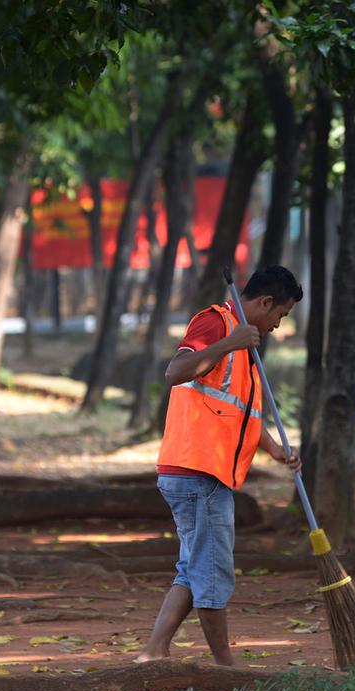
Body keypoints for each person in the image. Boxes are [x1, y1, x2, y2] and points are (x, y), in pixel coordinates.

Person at [136, 265, 304, 666]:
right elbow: (175, 371)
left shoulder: (245, 349)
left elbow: (237, 411)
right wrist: (228, 343)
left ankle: (154, 651)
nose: (278, 325)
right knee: (211, 571)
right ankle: (225, 667)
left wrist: (275, 449)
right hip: (198, 472)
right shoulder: (216, 323)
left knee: (193, 568)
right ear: (264, 302)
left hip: (205, 473)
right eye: (280, 315)